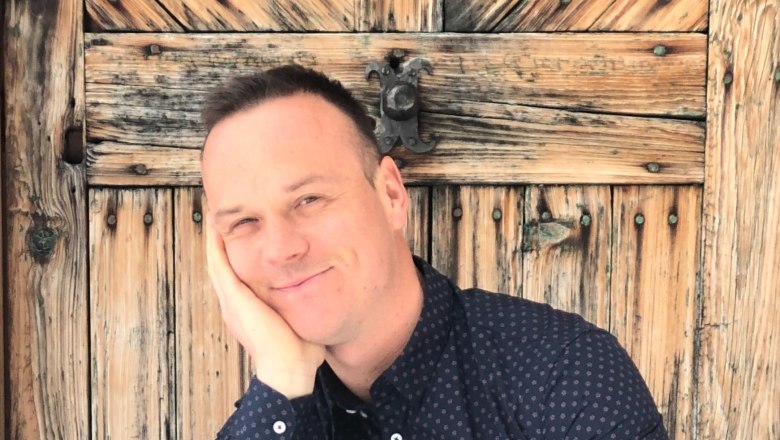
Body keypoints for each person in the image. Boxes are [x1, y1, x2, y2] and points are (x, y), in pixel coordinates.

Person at [200, 65, 668, 440]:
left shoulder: (561, 374)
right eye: (244, 223)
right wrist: (281, 374)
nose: (282, 249)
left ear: (390, 195)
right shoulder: (279, 407)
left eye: (309, 200)